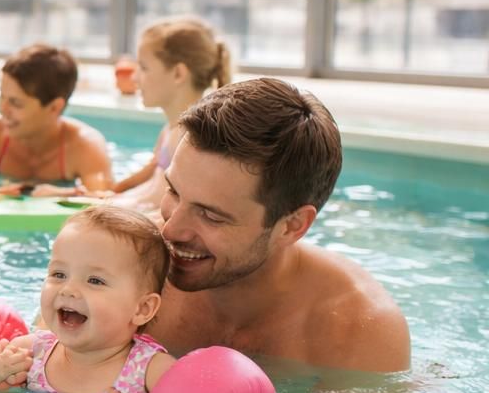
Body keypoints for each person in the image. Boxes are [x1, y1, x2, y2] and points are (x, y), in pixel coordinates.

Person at [150, 77, 411, 373]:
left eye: (211, 216)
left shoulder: (359, 333)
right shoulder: (131, 265)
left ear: (292, 226)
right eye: (173, 191)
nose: (170, 230)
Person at [0, 205, 281, 393]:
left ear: (142, 309)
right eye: (58, 274)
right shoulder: (31, 352)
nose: (68, 289)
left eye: (95, 281)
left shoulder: (149, 370)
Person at [109, 17, 232, 211]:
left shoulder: (188, 138)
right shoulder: (171, 130)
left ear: (178, 74)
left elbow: (172, 209)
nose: (134, 77)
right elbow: (151, 188)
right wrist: (108, 197)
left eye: (144, 68)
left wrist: (107, 206)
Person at [0, 44, 113, 193]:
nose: (2, 109)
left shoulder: (84, 146)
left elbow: (103, 201)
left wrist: (63, 195)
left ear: (54, 107)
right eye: (2, 96)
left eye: (16, 103)